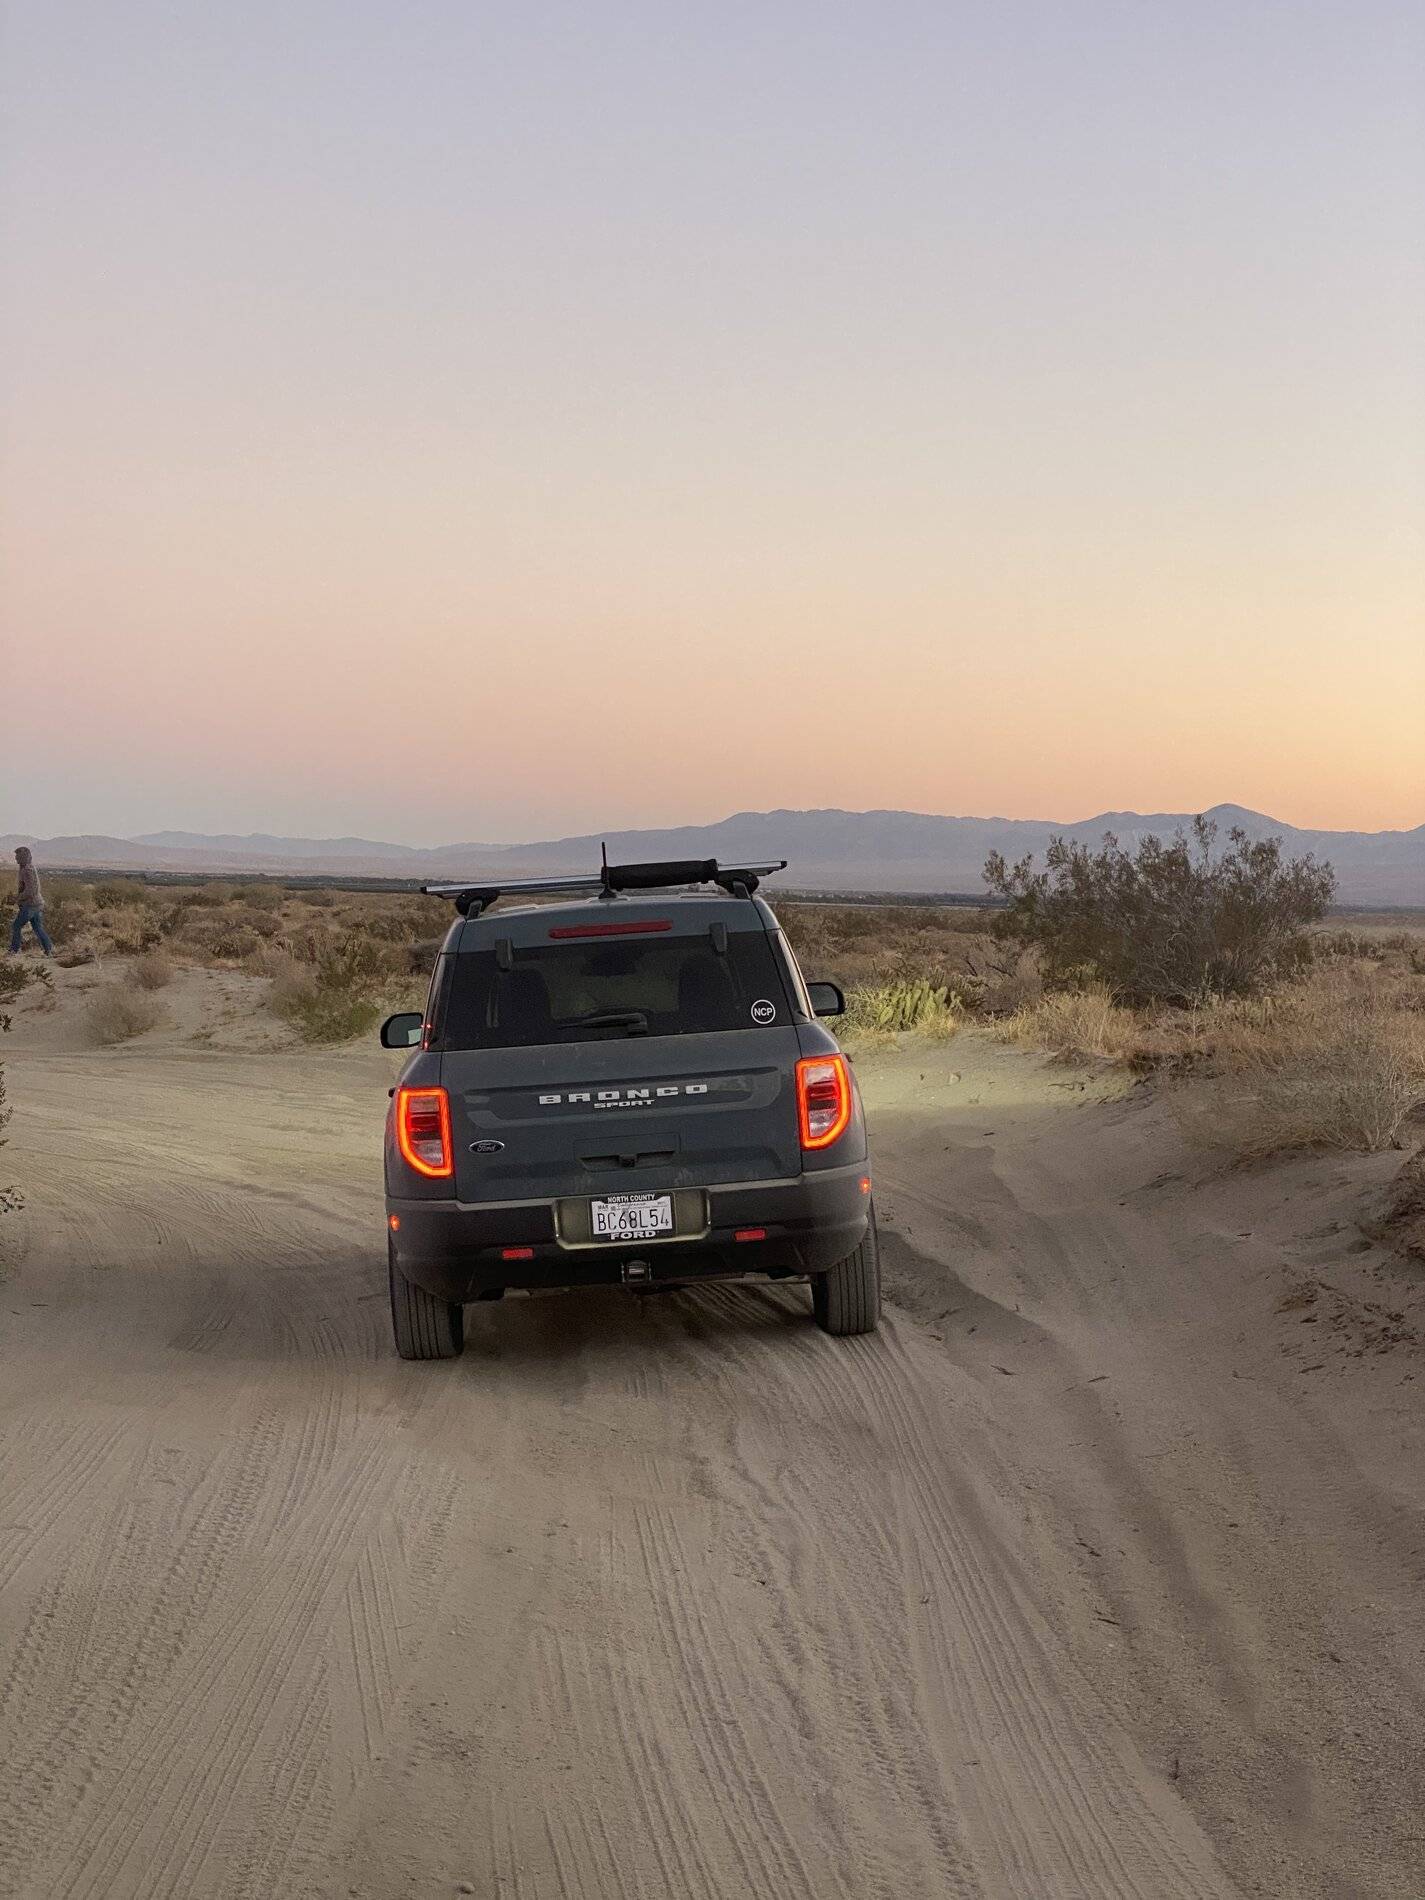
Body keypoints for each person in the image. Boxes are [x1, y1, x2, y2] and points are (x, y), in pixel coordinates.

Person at [9, 846, 55, 956]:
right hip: (36, 904)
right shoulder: (27, 868)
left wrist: (17, 898)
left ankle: (14, 950)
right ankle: (49, 950)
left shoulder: (27, 870)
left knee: (16, 926)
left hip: (30, 905)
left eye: (17, 856)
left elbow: (31, 891)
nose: (16, 859)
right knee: (38, 928)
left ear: (23, 857)